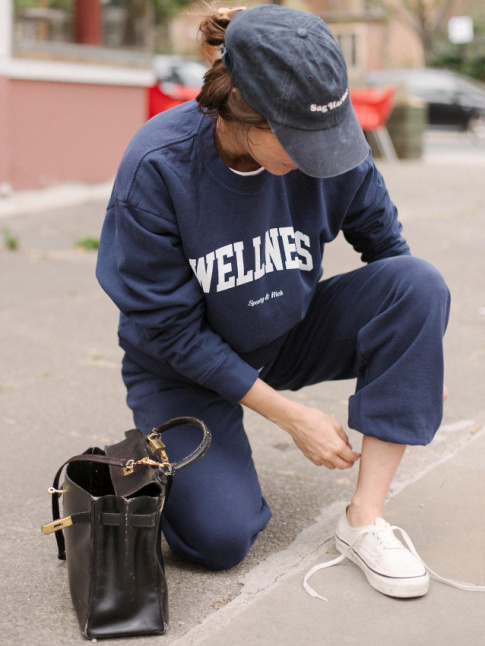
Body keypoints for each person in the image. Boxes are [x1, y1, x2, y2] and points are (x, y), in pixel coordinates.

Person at [96, 4, 450, 599]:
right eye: (301, 144)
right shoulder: (157, 167)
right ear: (240, 112)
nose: (320, 159)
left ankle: (364, 519)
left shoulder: (331, 148)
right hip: (183, 367)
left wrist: (415, 355)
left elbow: (390, 254)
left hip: (288, 331)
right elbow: (171, 333)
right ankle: (165, 449)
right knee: (220, 539)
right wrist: (292, 418)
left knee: (419, 284)